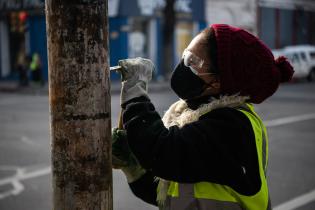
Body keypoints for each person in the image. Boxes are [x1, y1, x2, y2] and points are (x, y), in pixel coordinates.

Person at [111, 24, 294, 210]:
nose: (183, 64)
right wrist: (134, 170)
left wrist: (135, 90)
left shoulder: (231, 127)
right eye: (185, 55)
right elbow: (171, 194)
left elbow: (163, 152)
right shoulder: (199, 115)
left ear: (218, 82)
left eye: (193, 61)